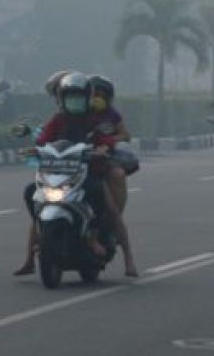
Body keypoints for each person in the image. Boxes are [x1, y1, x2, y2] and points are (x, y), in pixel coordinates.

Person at [15, 72, 138, 278]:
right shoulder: (58, 120)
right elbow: (43, 138)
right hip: (58, 174)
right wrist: (35, 149)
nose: (74, 101)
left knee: (106, 203)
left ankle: (121, 254)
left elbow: (105, 138)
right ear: (62, 99)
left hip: (88, 174)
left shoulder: (93, 120)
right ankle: (29, 259)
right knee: (32, 195)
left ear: (86, 98)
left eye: (78, 97)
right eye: (70, 97)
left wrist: (102, 148)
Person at [88, 74, 138, 213]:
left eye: (101, 95)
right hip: (78, 157)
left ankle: (115, 217)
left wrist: (110, 140)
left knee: (118, 175)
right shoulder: (79, 112)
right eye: (94, 94)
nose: (97, 98)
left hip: (104, 156)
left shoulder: (112, 115)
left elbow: (125, 135)